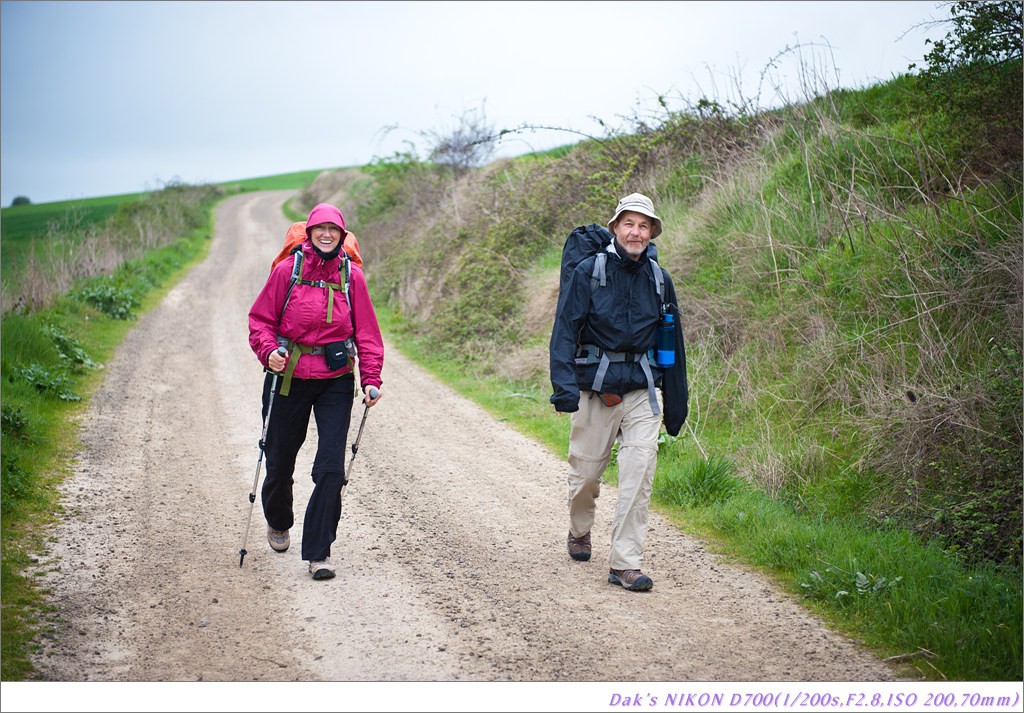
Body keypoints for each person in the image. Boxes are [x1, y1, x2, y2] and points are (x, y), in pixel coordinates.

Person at [549, 192, 687, 591]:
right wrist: (564, 390)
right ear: (615, 228)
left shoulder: (660, 280)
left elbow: (674, 344)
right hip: (596, 390)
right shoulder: (588, 272)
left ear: (652, 233)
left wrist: (676, 404)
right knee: (586, 475)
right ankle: (579, 529)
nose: (636, 232)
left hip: (642, 391)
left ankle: (624, 563)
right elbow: (564, 330)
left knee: (639, 473)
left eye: (644, 225)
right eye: (629, 223)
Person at [248, 202, 384, 580]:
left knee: (330, 469)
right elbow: (259, 321)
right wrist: (269, 351)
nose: (326, 234)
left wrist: (371, 378)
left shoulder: (351, 276)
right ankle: (279, 520)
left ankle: (318, 553)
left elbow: (368, 333)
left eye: (333, 230)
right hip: (288, 376)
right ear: (308, 233)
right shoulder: (285, 271)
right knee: (278, 461)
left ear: (342, 236)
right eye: (319, 228)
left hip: (335, 380)